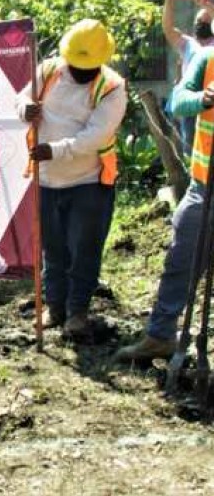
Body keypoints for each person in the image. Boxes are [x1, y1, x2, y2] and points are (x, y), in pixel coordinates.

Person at [16, 19, 126, 340]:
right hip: (47, 181)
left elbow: (96, 135)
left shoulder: (112, 87)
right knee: (53, 249)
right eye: (76, 65)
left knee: (84, 249)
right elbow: (20, 97)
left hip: (88, 183)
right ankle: (55, 308)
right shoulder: (49, 71)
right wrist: (26, 109)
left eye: (88, 66)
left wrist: (56, 150)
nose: (81, 72)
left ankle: (77, 312)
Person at [115, 38, 214, 361]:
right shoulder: (207, 59)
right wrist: (202, 98)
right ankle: (160, 336)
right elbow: (177, 101)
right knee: (180, 260)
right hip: (204, 186)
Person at [162, 0, 214, 153]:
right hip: (190, 102)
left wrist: (206, 5)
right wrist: (169, 2)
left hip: (211, 100)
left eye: (206, 21)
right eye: (199, 21)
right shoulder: (187, 44)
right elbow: (168, 29)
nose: (202, 23)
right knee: (191, 150)